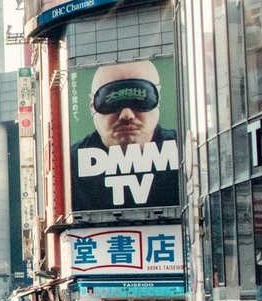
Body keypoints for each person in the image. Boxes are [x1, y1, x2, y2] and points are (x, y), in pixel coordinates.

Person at [69, 60, 180, 211]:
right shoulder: (69, 167)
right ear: (92, 106)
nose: (126, 115)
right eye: (112, 100)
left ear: (158, 99)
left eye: (139, 97)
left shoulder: (184, 151)